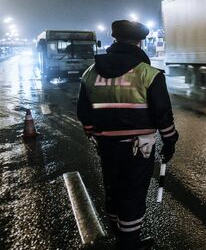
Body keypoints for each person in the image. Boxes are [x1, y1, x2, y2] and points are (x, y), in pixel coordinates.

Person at [76, 20, 178, 250]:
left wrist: (95, 136)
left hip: (107, 146)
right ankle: (129, 244)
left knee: (113, 190)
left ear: (114, 40)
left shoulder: (91, 73)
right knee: (132, 194)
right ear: (140, 42)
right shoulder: (148, 74)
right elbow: (163, 114)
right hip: (138, 148)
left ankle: (120, 237)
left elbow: (83, 112)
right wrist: (170, 140)